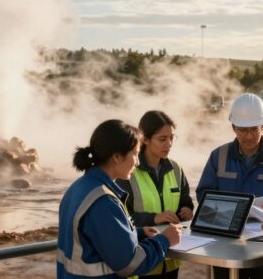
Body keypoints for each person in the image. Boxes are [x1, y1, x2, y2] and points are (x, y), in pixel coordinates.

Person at [57, 119, 181, 278]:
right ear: (116, 156)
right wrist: (165, 240)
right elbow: (131, 264)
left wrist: (138, 233)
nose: (137, 162)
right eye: (135, 154)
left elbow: (96, 236)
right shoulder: (103, 201)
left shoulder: (79, 187)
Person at [197, 93, 263, 279]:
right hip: (224, 243)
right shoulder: (218, 156)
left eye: (254, 129)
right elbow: (203, 195)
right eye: (242, 130)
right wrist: (225, 209)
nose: (248, 136)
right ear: (233, 127)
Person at [117, 110, 194, 279]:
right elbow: (121, 220)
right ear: (144, 138)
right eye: (162, 139)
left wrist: (187, 210)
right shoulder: (128, 172)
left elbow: (185, 199)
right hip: (143, 261)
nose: (169, 144)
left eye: (172, 138)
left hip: (172, 259)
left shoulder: (176, 169)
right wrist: (154, 218)